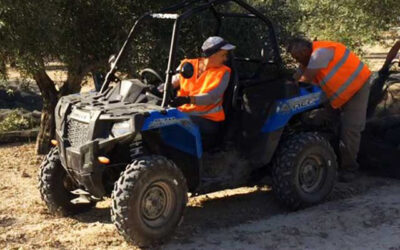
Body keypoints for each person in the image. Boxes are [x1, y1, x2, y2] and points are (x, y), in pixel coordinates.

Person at [287, 37, 372, 182]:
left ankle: (349, 169)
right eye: (294, 58)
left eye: (298, 57)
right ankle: (332, 157)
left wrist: (290, 89)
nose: (297, 61)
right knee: (322, 120)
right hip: (338, 94)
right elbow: (295, 78)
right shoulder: (307, 59)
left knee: (350, 129)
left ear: (306, 51)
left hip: (357, 88)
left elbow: (305, 79)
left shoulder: (321, 53)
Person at [169, 36, 236, 148]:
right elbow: (173, 81)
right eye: (223, 55)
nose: (226, 59)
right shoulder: (188, 65)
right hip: (182, 112)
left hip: (207, 119)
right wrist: (158, 89)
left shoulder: (224, 72)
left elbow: (211, 97)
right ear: (212, 55)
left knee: (172, 123)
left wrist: (187, 99)